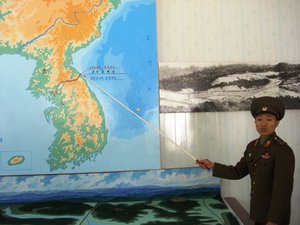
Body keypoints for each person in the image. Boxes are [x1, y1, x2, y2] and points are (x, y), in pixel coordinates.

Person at [196, 96, 295, 225]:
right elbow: (237, 172)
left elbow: (283, 191)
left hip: (274, 218)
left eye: (269, 119)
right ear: (255, 122)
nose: (263, 124)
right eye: (259, 120)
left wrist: (273, 221)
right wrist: (213, 165)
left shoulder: (283, 150)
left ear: (277, 123)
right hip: (258, 213)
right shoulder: (252, 147)